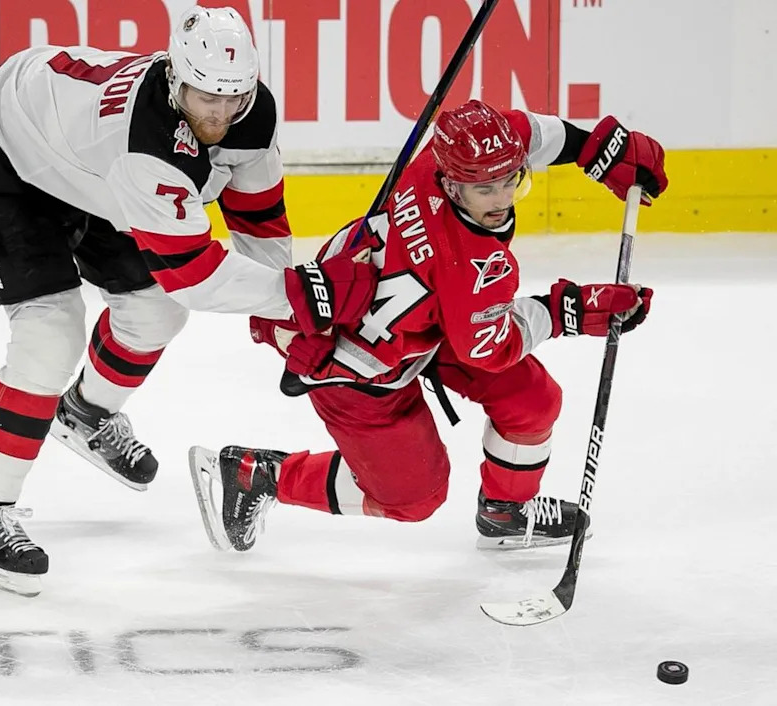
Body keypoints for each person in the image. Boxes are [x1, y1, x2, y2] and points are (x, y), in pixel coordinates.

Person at [0, 5, 376, 596]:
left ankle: (85, 413)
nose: (220, 116)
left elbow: (261, 231)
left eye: (233, 98)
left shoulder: (251, 113)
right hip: (7, 159)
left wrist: (292, 327)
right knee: (51, 336)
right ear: (175, 79)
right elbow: (195, 274)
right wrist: (300, 299)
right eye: (205, 98)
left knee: (153, 313)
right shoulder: (144, 144)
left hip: (87, 165)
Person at [190, 100, 666, 554]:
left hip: (419, 324)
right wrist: (569, 311)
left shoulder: (437, 163)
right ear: (454, 185)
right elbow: (490, 348)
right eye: (485, 189)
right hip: (358, 374)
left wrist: (594, 148)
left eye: (510, 181)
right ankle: (256, 475)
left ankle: (505, 513)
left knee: (531, 399)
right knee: (413, 499)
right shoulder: (473, 268)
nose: (501, 199)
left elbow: (519, 132)